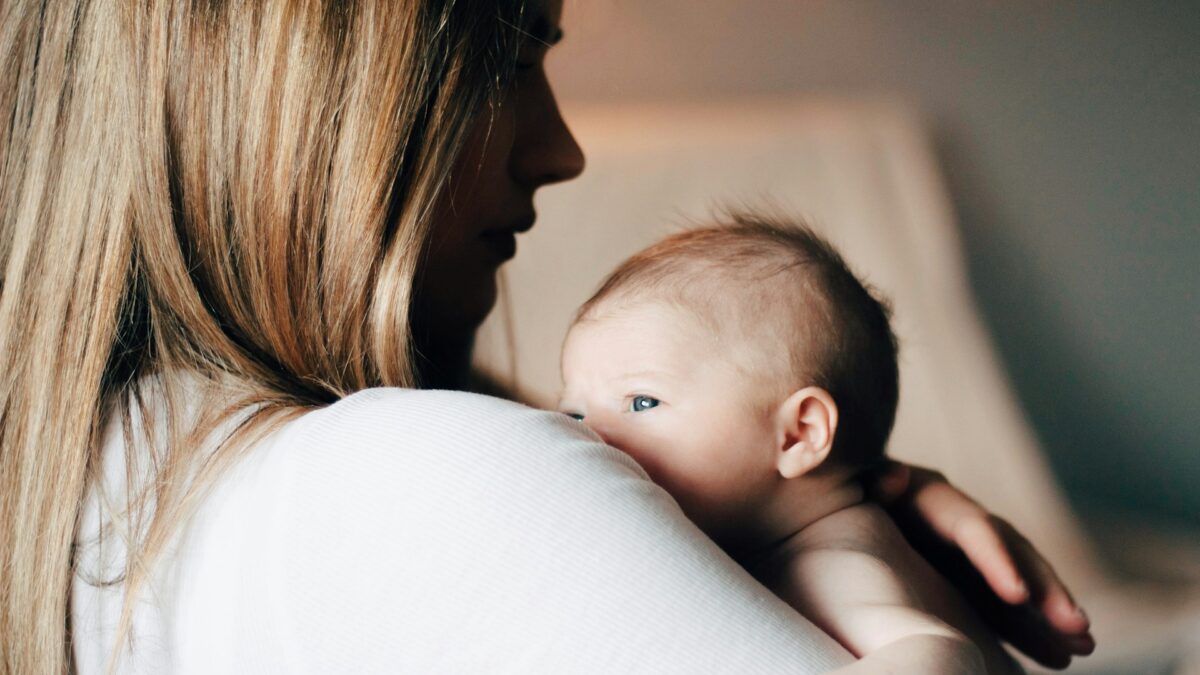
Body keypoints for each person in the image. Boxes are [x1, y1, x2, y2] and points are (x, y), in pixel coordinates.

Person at [0, 0, 1093, 673]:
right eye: (514, 52)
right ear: (306, 94)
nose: (561, 149)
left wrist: (842, 501)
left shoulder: (87, 485)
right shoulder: (422, 477)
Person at [558, 216, 1025, 673]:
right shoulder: (782, 537)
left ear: (799, 434)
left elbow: (941, 653)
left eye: (642, 402)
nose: (588, 433)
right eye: (574, 413)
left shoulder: (829, 564)